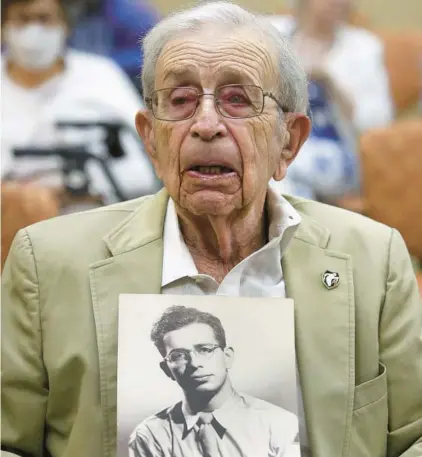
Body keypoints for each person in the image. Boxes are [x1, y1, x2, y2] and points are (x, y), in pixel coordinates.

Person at [1, 3, 421, 457]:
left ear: (289, 141)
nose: (205, 125)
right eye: (180, 101)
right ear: (150, 140)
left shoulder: (373, 260)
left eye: (238, 99)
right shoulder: (48, 265)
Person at [1, 0, 160, 205]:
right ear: (3, 27)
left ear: (65, 26)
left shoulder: (101, 76)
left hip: (90, 214)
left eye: (44, 19)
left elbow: (144, 169)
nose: (33, 30)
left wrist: (70, 193)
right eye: (22, 20)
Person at [128, 305, 299, 457]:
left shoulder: (279, 425)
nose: (195, 364)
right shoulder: (150, 436)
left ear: (227, 357)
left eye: (205, 349)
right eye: (179, 355)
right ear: (167, 370)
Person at [269, 0, 394, 201]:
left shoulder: (364, 47)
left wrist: (331, 83)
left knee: (279, 167)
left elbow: (379, 121)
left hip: (335, 151)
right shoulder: (271, 33)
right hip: (277, 139)